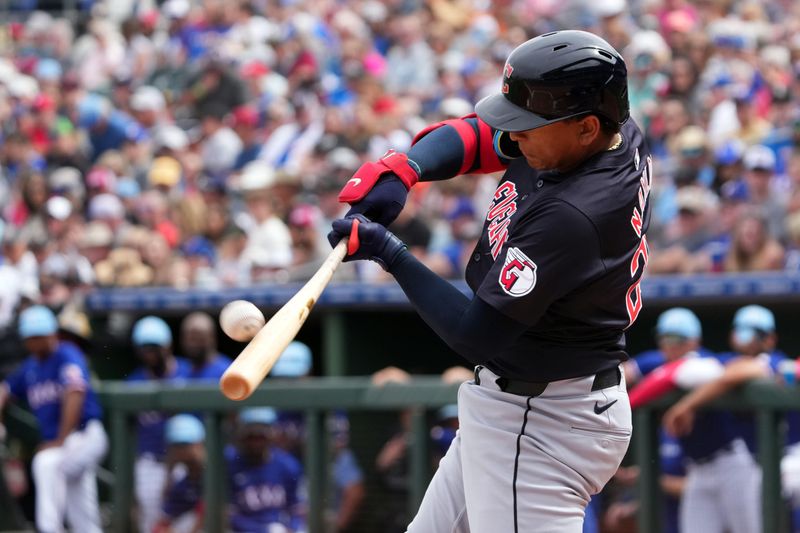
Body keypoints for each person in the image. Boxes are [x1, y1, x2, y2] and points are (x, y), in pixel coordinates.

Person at [328, 30, 649, 532]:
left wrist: (390, 253)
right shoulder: (608, 131)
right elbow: (484, 134)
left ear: (586, 127)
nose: (515, 137)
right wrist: (408, 168)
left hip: (544, 420)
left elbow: (476, 334)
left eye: (530, 125)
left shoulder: (574, 213)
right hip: (524, 402)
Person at [0, 305, 108, 533]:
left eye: (42, 336)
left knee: (46, 463)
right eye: (32, 338)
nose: (38, 342)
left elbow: (74, 392)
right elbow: (4, 390)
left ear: (52, 334)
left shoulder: (66, 353)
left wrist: (61, 438)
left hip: (84, 434)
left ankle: (48, 529)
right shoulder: (30, 367)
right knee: (81, 506)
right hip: (66, 444)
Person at [126, 315, 192, 533]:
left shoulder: (188, 371)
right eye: (145, 348)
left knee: (186, 522)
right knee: (152, 522)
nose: (150, 354)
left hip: (185, 462)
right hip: (151, 461)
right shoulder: (134, 382)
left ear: (167, 346)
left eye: (154, 347)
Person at [226, 407, 306, 533]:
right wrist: (264, 530)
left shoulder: (287, 465)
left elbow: (297, 509)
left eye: (261, 436)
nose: (256, 442)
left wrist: (291, 528)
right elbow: (228, 515)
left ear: (271, 435)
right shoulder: (230, 463)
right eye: (251, 436)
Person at [154, 414, 207, 533]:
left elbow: (212, 510)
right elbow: (163, 522)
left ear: (199, 443)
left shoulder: (223, 469)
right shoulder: (183, 485)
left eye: (185, 444)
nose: (181, 450)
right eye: (176, 445)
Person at [178, 311, 232, 380]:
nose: (194, 344)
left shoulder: (227, 371)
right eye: (191, 339)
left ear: (212, 338)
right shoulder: (178, 370)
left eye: (200, 339)